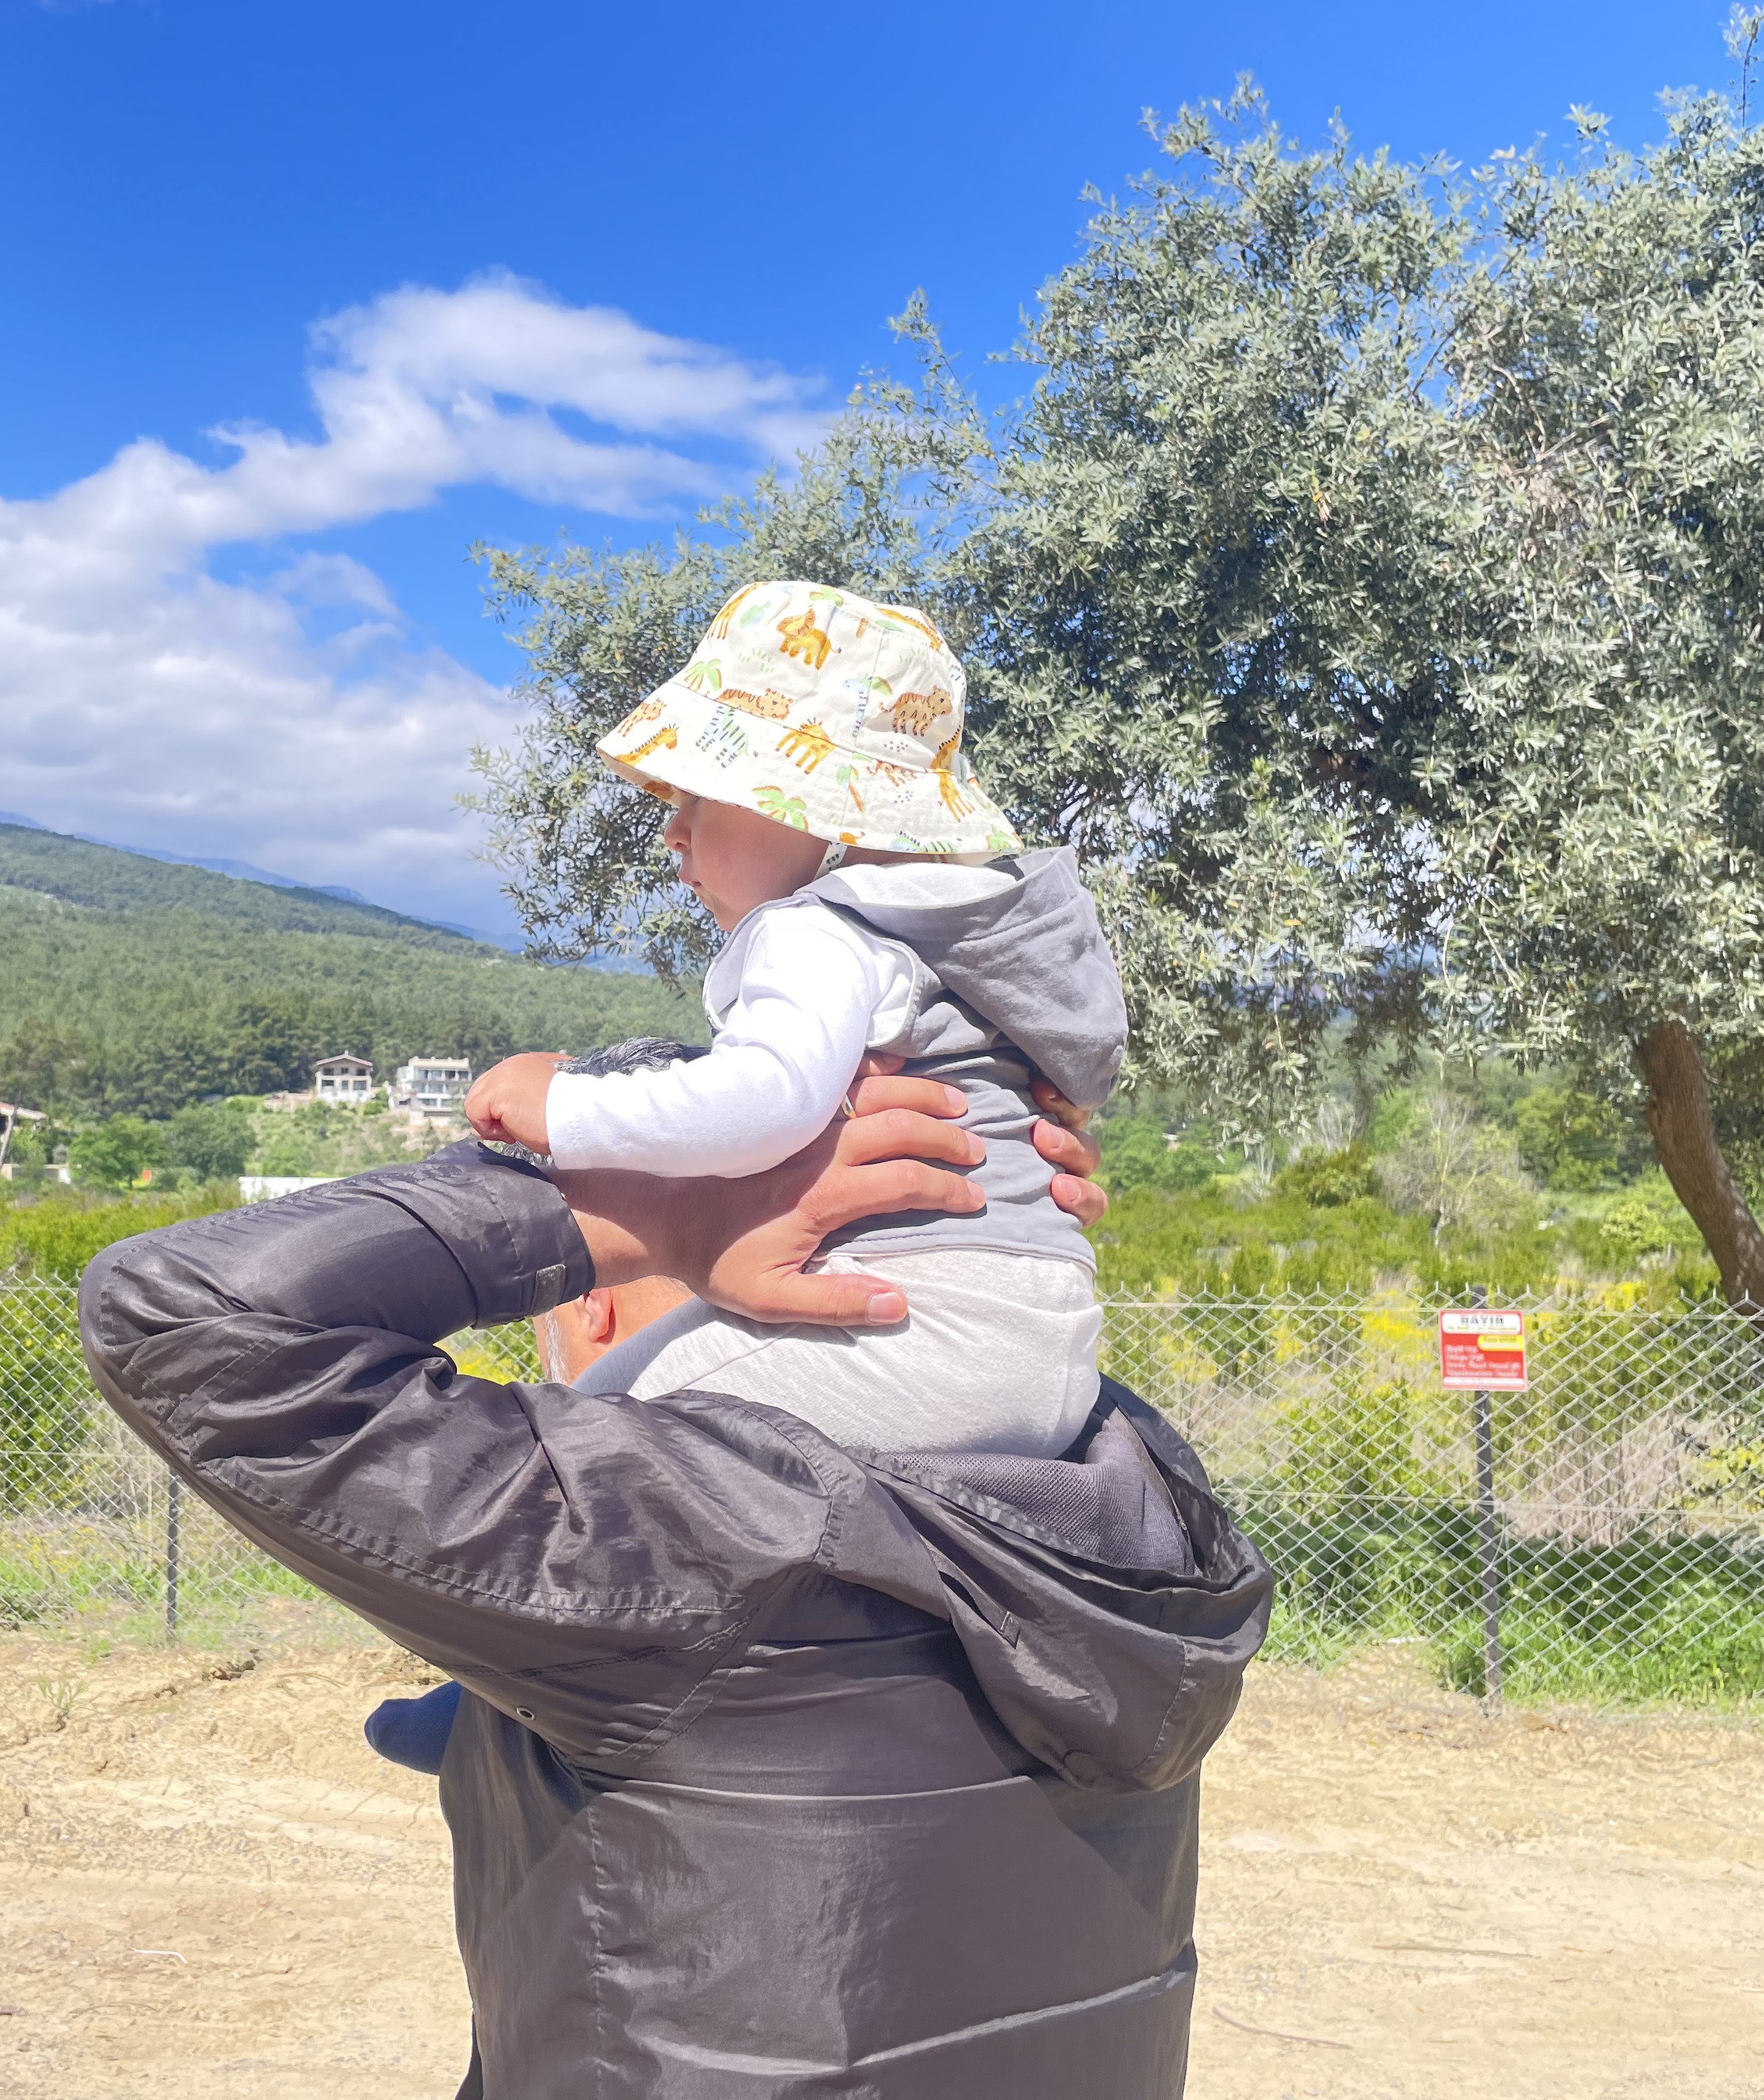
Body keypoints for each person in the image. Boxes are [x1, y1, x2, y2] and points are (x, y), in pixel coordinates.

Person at [76, 1069, 1271, 2099]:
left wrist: (644, 1204)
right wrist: (1005, 1220)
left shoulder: (689, 1528)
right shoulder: (1129, 1490)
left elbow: (176, 1309)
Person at [463, 577, 1122, 1458]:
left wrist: (562, 1110)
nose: (674, 832)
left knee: (580, 1431)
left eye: (700, 794)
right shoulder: (960, 958)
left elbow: (768, 1100)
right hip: (1048, 1339)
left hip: (917, 1320)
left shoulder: (818, 930)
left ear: (826, 815)